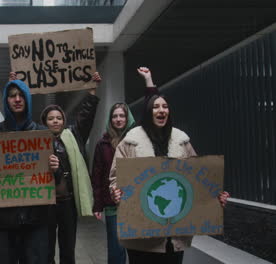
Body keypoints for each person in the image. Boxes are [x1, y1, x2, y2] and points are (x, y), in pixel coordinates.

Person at [108, 68, 230, 264]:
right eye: (156, 107)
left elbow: (198, 178)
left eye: (165, 106)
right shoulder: (129, 143)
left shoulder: (182, 142)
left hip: (175, 234)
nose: (161, 110)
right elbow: (115, 178)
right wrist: (116, 192)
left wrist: (214, 197)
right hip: (142, 234)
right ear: (148, 112)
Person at [0, 78, 60, 264]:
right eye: (12, 96)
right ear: (6, 101)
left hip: (36, 222)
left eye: (21, 95)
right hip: (2, 223)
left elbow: (56, 179)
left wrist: (55, 168)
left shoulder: (42, 134)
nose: (17, 99)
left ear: (28, 100)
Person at [37, 72, 101, 264]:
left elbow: (85, 116)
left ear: (64, 121)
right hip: (45, 204)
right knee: (46, 249)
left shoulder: (74, 135)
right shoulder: (36, 142)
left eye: (59, 118)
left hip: (67, 203)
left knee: (68, 249)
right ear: (44, 122)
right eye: (50, 118)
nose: (55, 121)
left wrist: (91, 91)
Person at [91, 102, 135, 264]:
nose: (118, 119)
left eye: (122, 115)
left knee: (137, 249)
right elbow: (97, 176)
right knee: (116, 250)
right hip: (112, 204)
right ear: (110, 120)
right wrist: (97, 205)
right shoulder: (102, 144)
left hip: (136, 202)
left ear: (128, 118)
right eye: (114, 116)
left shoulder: (136, 140)